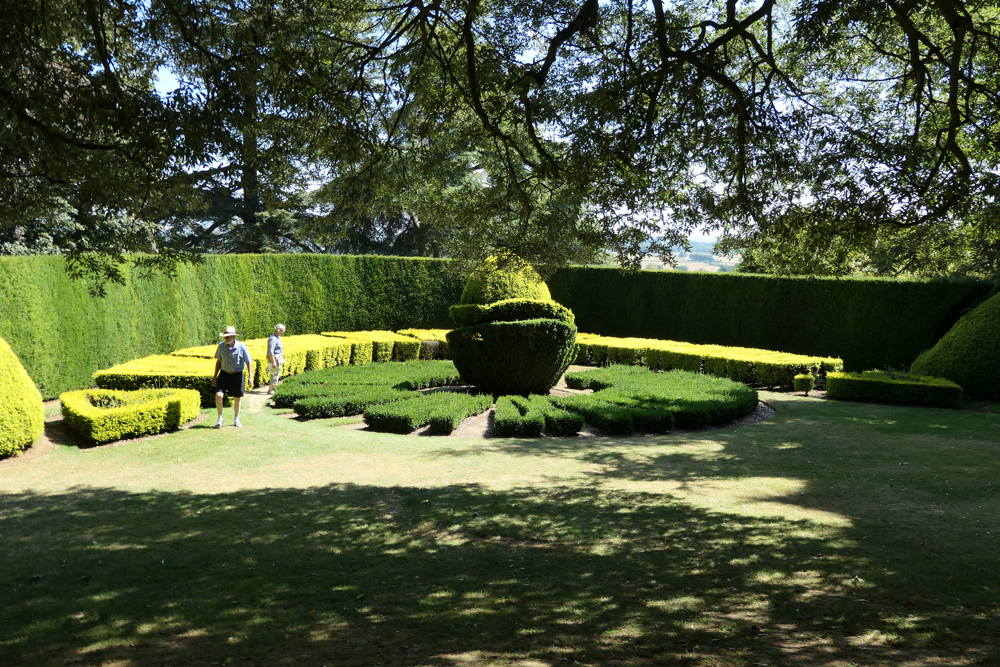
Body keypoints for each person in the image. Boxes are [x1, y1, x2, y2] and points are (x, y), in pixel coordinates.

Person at [212, 326, 252, 428]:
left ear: (233, 336)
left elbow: (248, 362)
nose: (225, 339)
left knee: (236, 398)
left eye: (227, 337)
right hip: (224, 374)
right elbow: (218, 361)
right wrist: (215, 376)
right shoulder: (221, 346)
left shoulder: (242, 347)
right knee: (219, 395)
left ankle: (236, 419)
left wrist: (250, 377)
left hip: (237, 375)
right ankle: (220, 418)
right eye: (225, 337)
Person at [266, 324, 286, 394]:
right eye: (283, 331)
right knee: (274, 373)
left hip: (277, 358)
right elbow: (271, 351)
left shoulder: (278, 337)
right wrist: (273, 361)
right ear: (279, 330)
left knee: (276, 373)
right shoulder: (273, 339)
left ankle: (272, 389)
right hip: (273, 358)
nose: (284, 332)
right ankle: (271, 390)